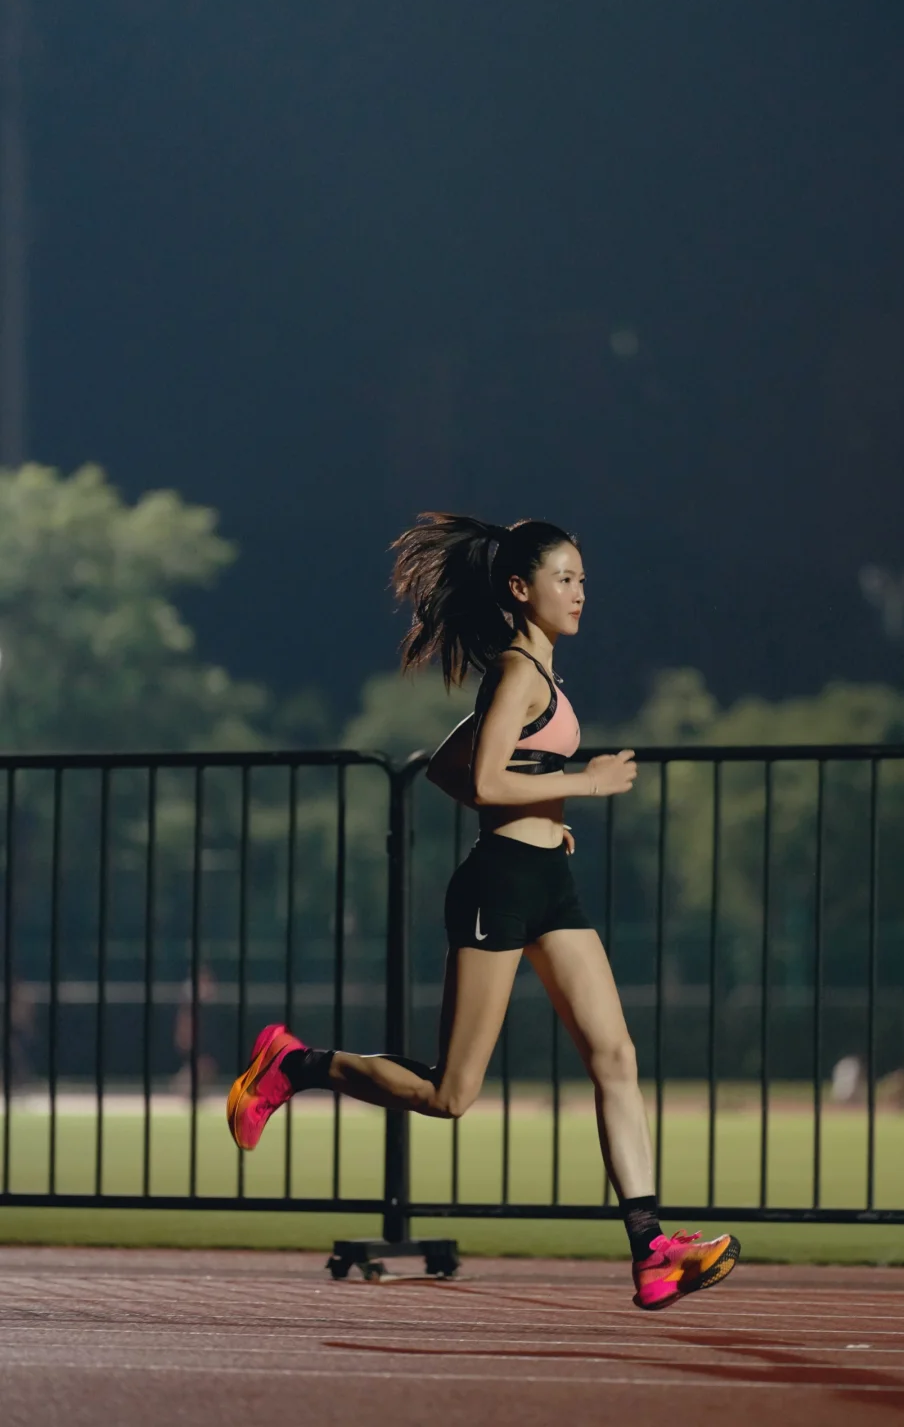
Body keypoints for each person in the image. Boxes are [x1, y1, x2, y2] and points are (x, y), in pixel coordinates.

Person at [226, 514, 740, 1310]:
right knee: (450, 1095)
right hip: (499, 885)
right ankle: (293, 1064)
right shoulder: (517, 672)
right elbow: (492, 780)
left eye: (582, 578)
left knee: (615, 1055)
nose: (578, 591)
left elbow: (447, 770)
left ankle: (653, 1248)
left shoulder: (539, 671)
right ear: (519, 588)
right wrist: (586, 786)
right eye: (564, 577)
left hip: (545, 883)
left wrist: (547, 819)